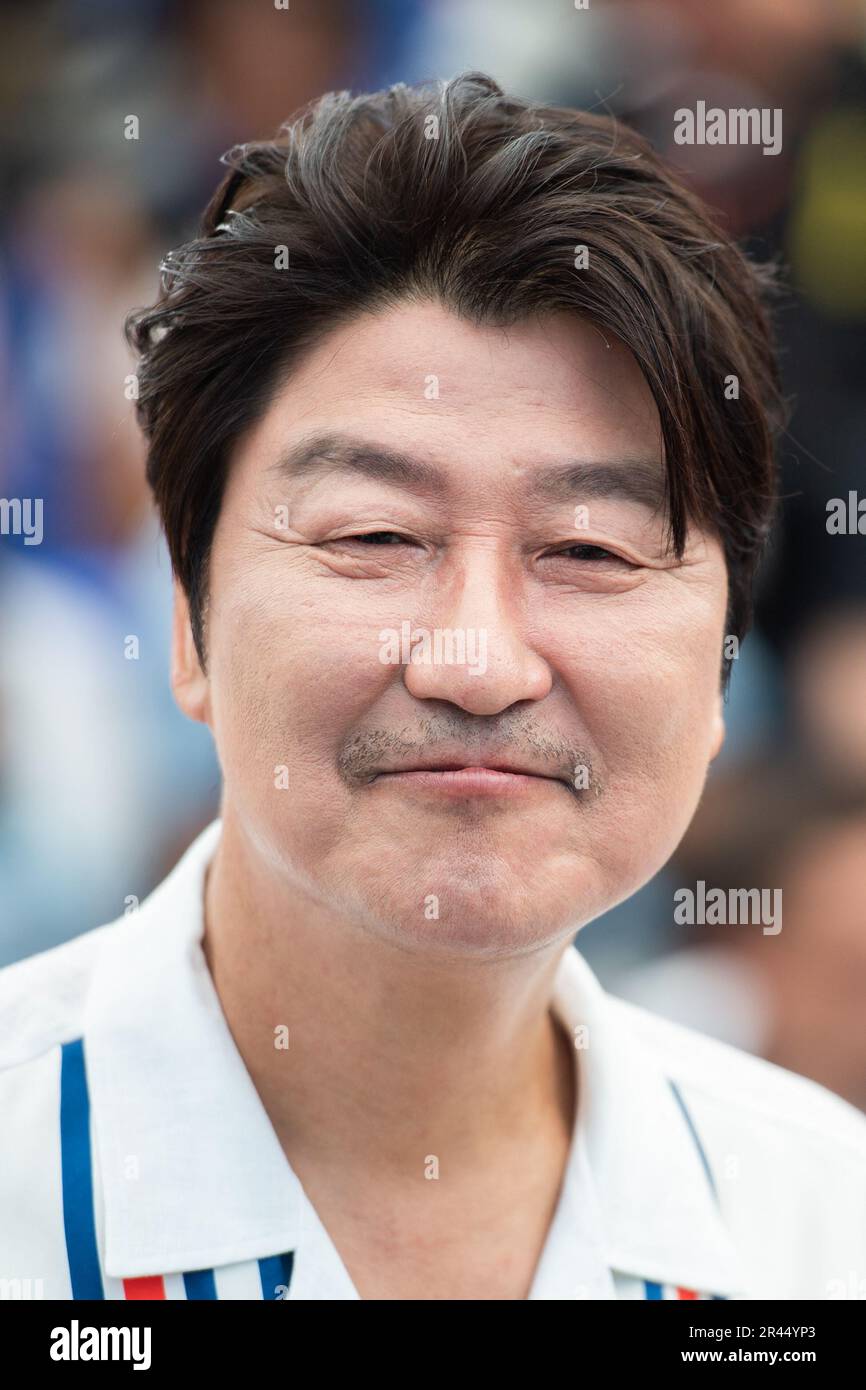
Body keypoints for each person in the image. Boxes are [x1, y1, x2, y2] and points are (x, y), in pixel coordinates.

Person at [1, 72, 863, 1302]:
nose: (476, 662)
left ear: (725, 662)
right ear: (187, 623)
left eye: (587, 550)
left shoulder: (821, 1227)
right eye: (372, 536)